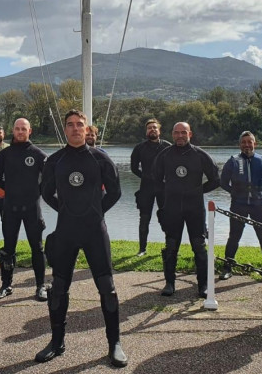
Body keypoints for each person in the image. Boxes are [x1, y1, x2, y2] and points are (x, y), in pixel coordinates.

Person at [36, 110, 127, 367]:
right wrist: (66, 212)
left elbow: (116, 192)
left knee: (108, 290)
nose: (75, 129)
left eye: (80, 125)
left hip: (95, 232)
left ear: (87, 129)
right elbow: (46, 193)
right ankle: (57, 342)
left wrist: (96, 212)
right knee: (59, 290)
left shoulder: (100, 159)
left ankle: (115, 344)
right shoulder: (55, 160)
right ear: (65, 130)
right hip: (66, 231)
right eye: (70, 125)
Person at [153, 122, 219, 298]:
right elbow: (156, 181)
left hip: (195, 208)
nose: (180, 136)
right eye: (177, 133)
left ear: (190, 134)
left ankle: (203, 285)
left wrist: (198, 191)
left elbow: (215, 179)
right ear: (172, 134)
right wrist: (164, 203)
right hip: (172, 208)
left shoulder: (200, 155)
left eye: (184, 132)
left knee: (199, 246)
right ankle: (169, 283)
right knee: (171, 245)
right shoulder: (165, 155)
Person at [0, 118, 48, 301]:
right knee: (8, 248)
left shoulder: (38, 154)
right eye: (17, 129)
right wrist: (12, 189)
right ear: (12, 131)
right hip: (11, 207)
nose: (20, 131)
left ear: (30, 131)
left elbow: (47, 180)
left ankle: (40, 286)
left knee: (37, 248)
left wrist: (35, 192)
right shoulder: (5, 154)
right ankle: (6, 285)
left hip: (32, 207)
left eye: (24, 129)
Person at [219, 131, 262, 281]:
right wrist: (234, 192)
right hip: (238, 205)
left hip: (258, 206)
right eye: (243, 142)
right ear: (240, 145)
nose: (247, 145)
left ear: (255, 144)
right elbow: (223, 182)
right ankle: (227, 268)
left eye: (249, 142)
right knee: (234, 237)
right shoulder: (233, 160)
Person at [130, 119, 170, 256]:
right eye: (149, 128)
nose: (152, 129)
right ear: (146, 131)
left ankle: (169, 247)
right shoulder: (139, 148)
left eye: (154, 127)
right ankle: (142, 249)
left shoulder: (167, 146)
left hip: (163, 187)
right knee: (144, 218)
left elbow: (173, 166)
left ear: (159, 130)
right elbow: (134, 168)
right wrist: (145, 177)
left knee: (167, 217)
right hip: (146, 187)